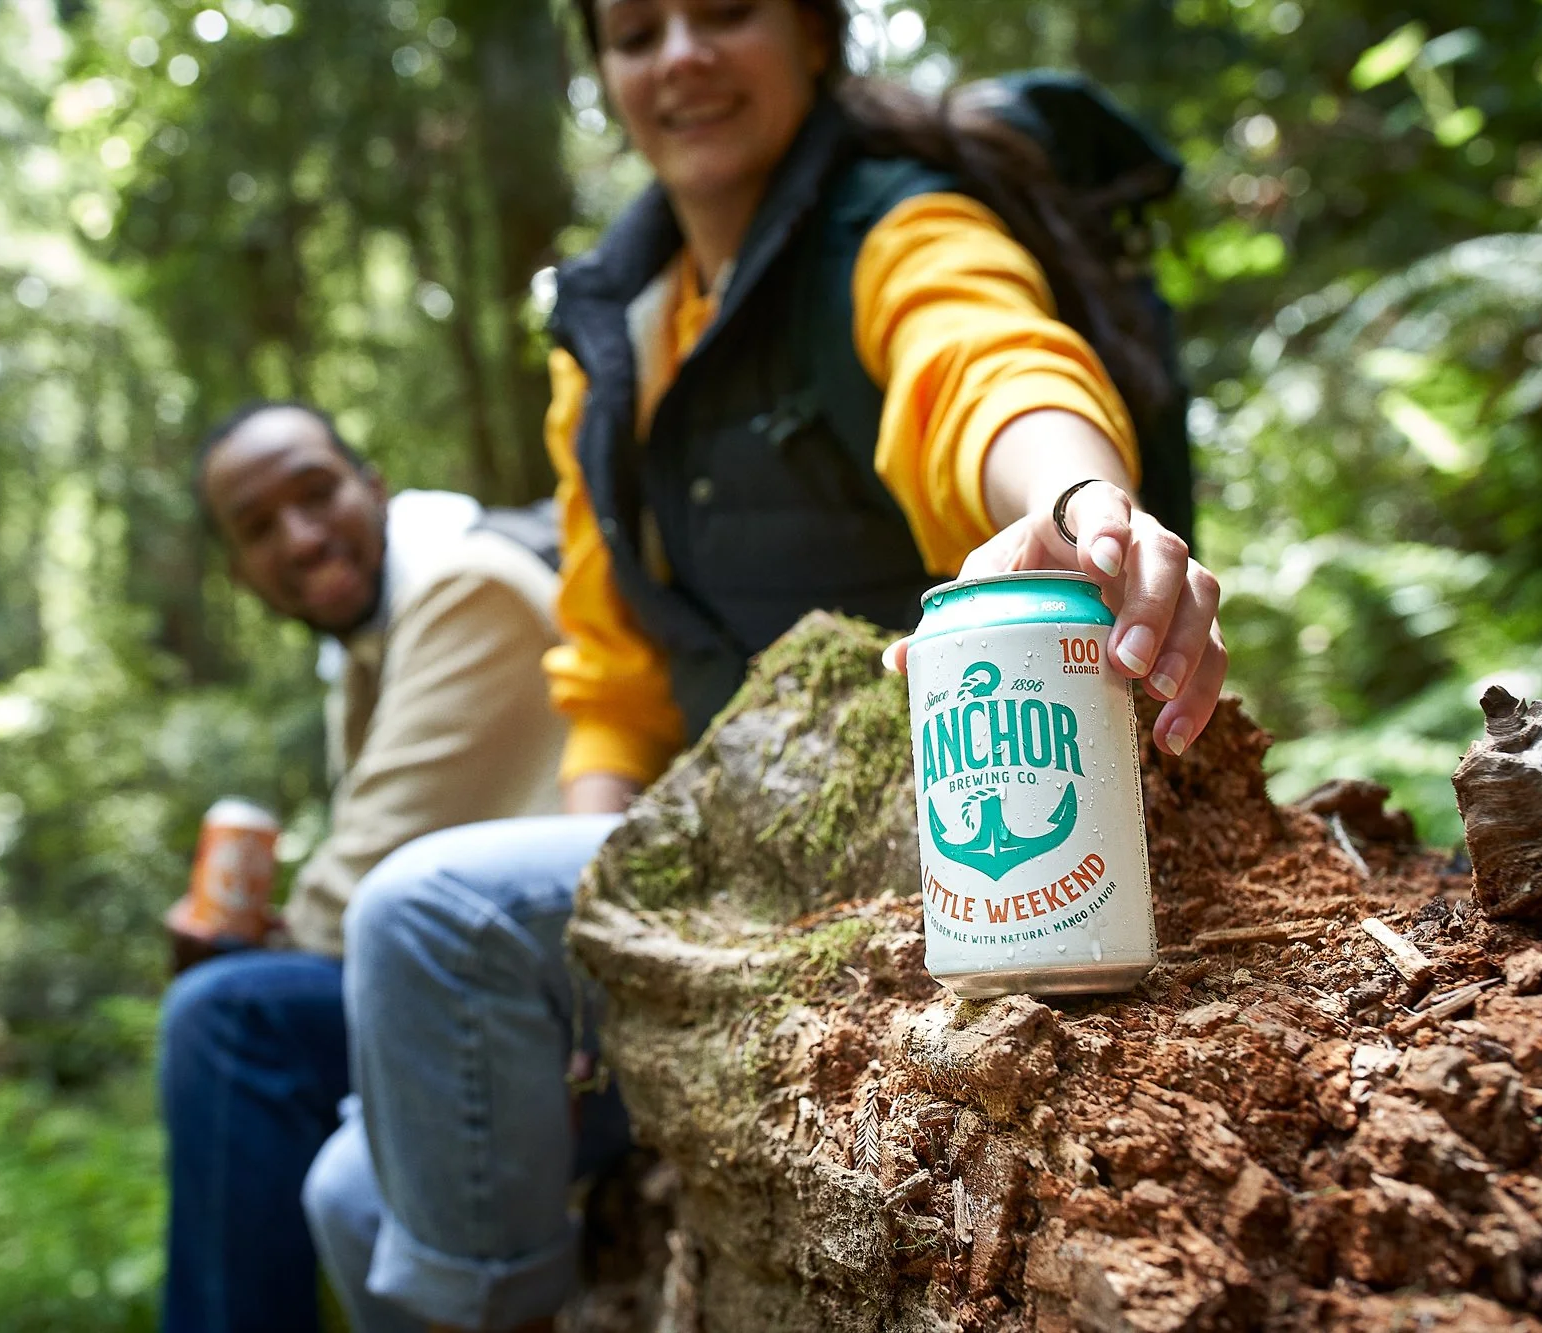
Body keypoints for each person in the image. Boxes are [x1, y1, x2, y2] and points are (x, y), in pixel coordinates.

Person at [303, 2, 1227, 1329]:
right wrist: (607, 959)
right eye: (633, 32)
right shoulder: (611, 334)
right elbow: (610, 674)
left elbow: (981, 360)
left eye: (723, 12)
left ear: (813, 38)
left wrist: (1088, 506)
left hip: (924, 850)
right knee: (344, 1188)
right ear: (608, 75)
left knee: (427, 915)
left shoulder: (894, 226)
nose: (678, 56)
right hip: (726, 869)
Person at [158, 401, 569, 1332]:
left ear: (373, 487)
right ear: (239, 568)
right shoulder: (370, 645)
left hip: (540, 984)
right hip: (479, 973)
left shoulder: (470, 588)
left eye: (317, 494)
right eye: (260, 528)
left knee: (226, 1021)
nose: (300, 538)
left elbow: (367, 875)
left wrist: (262, 944)